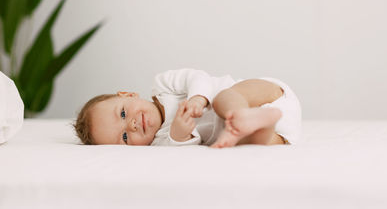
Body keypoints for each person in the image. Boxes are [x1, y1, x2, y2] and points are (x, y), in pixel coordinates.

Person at [74, 68, 301, 148]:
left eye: (123, 113)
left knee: (224, 99)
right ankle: (260, 125)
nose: (131, 124)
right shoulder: (162, 141)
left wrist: (198, 99)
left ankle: (244, 114)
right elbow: (184, 149)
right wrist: (180, 134)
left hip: (263, 95)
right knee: (241, 139)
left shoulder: (162, 86)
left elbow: (196, 76)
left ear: (128, 94)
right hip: (282, 134)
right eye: (124, 137)